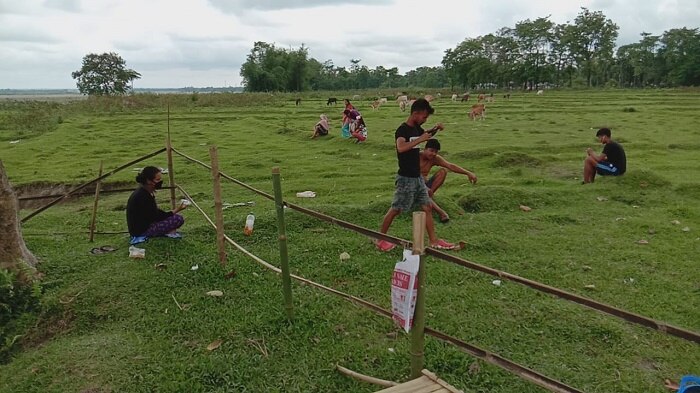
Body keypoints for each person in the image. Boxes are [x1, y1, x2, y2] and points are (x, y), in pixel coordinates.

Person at [376, 99, 456, 252]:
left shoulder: (417, 129)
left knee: (427, 206)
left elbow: (426, 135)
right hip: (406, 178)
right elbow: (401, 147)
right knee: (396, 209)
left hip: (418, 178)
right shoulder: (402, 130)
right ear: (415, 113)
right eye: (424, 117)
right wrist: (420, 139)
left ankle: (433, 241)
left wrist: (435, 129)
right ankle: (380, 239)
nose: (425, 120)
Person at [420, 138, 477, 223]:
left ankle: (429, 196)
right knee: (419, 189)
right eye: (431, 151)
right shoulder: (416, 156)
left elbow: (450, 166)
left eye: (436, 152)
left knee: (443, 171)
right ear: (425, 149)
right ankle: (441, 212)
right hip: (413, 184)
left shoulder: (434, 158)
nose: (433, 154)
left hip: (425, 185)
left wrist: (468, 173)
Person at [126, 166, 187, 245]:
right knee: (178, 219)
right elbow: (156, 216)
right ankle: (167, 232)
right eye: (157, 180)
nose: (160, 182)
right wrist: (177, 210)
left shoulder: (144, 192)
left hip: (141, 227)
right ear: (148, 181)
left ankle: (168, 231)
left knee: (173, 217)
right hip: (141, 231)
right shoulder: (143, 196)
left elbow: (154, 213)